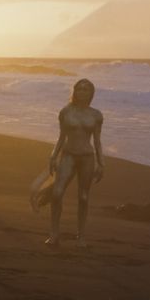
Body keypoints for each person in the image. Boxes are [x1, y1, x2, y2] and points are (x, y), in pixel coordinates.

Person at [44, 78, 104, 247]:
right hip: (68, 155)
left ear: (91, 93)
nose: (82, 92)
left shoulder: (96, 115)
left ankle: (81, 236)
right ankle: (54, 234)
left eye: (86, 89)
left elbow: (98, 142)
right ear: (74, 92)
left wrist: (101, 163)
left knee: (83, 197)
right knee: (57, 193)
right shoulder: (66, 112)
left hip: (87, 157)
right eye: (79, 89)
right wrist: (53, 156)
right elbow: (61, 137)